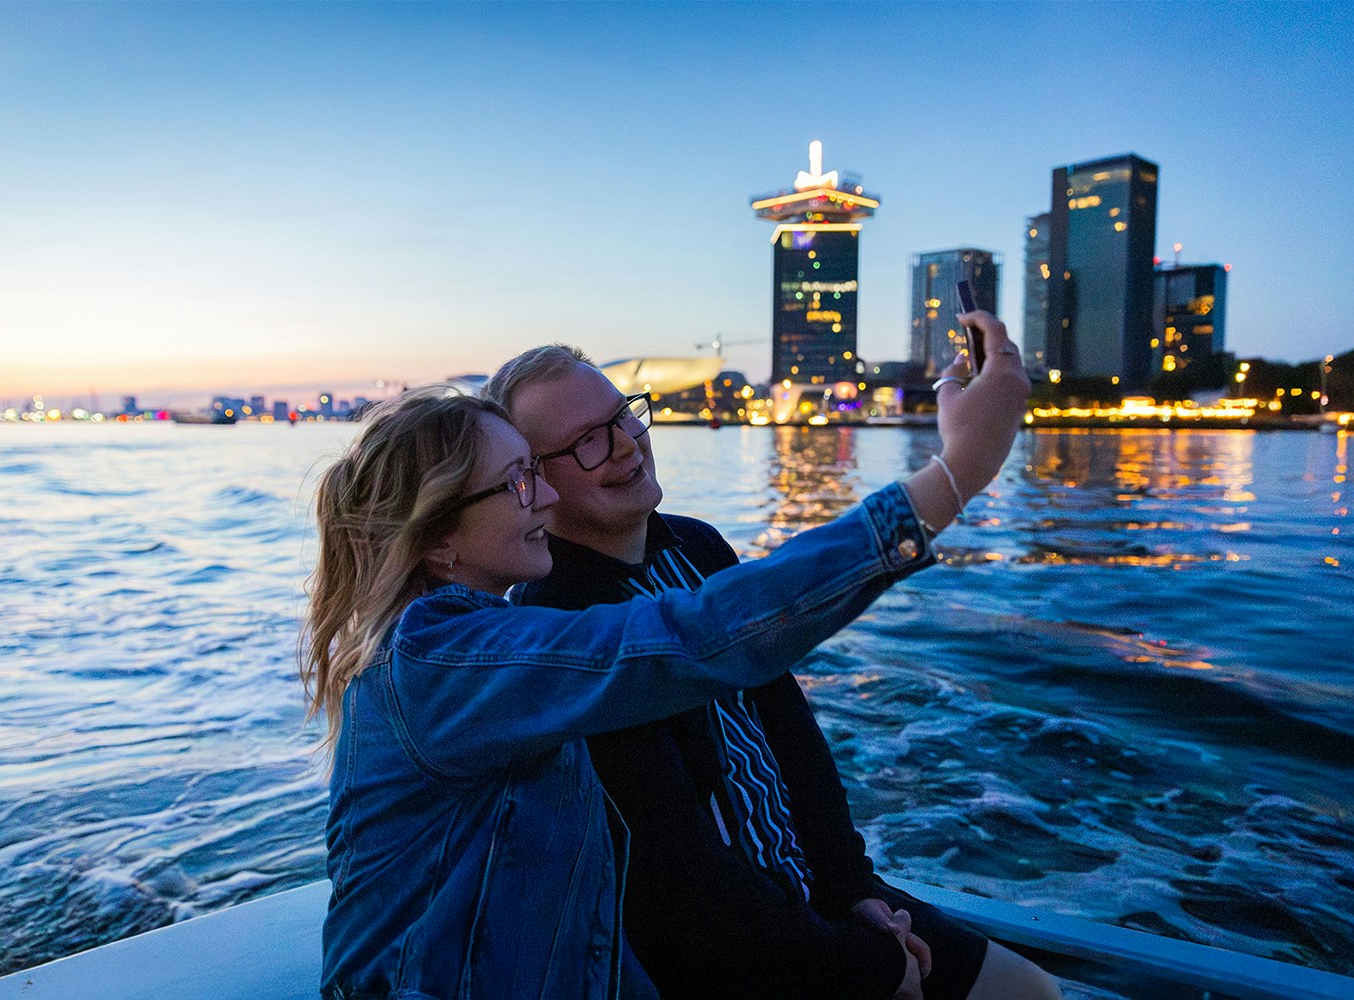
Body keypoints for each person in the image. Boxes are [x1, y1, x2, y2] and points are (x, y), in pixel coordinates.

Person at [302, 310, 1029, 1000]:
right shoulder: (442, 664)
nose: (541, 501)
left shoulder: (489, 642)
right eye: (519, 481)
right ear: (438, 539)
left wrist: (849, 892)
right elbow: (689, 646)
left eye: (536, 472)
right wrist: (958, 471)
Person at [490, 333, 1061, 999]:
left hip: (812, 891)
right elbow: (680, 875)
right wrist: (866, 965)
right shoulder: (558, 623)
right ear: (532, 482)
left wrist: (850, 889)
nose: (624, 444)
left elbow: (788, 729)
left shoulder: (696, 545)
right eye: (588, 440)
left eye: (624, 415)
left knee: (1028, 990)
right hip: (723, 956)